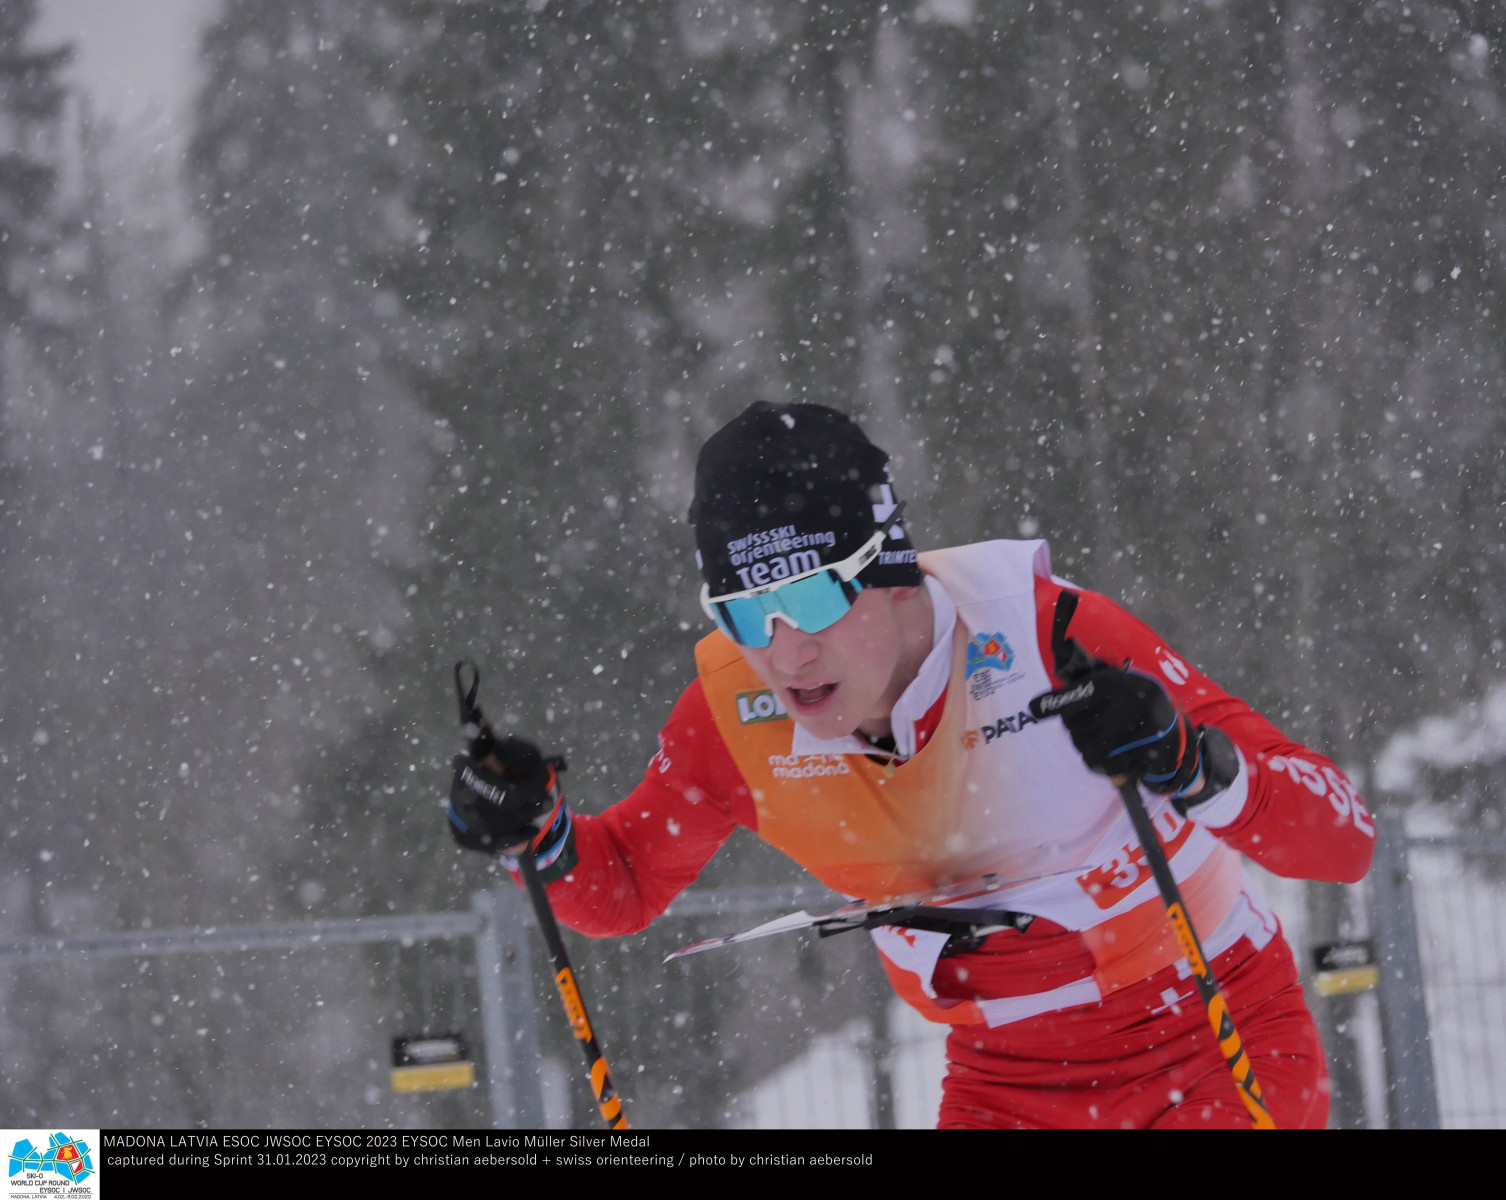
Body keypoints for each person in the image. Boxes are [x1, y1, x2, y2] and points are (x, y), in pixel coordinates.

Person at [446, 401, 1376, 1129]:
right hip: (1005, 1080)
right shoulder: (734, 717)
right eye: (742, 611)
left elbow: (1345, 839)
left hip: (1208, 1036)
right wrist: (533, 833)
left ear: (887, 571)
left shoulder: (1050, 636)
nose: (785, 651)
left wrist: (1191, 767)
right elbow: (622, 884)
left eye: (812, 598)